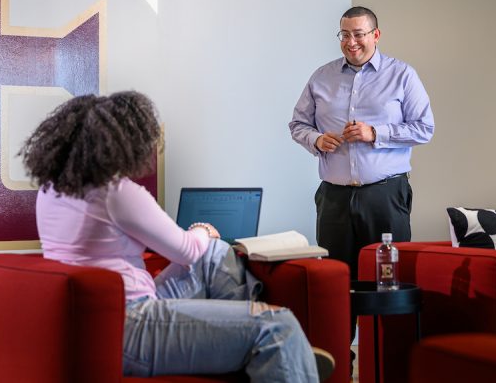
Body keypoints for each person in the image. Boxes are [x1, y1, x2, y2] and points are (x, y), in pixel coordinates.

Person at [21, 91, 334, 382]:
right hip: (130, 324)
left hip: (94, 323)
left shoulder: (51, 191)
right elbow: (185, 250)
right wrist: (202, 229)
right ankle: (266, 347)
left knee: (213, 254)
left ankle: (243, 344)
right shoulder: (118, 193)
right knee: (278, 324)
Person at [289, 6, 434, 363]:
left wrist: (376, 134)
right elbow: (297, 125)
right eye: (345, 35)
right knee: (337, 283)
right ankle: (340, 362)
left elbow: (424, 127)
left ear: (375, 35)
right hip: (334, 198)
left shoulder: (402, 75)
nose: (351, 42)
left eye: (359, 34)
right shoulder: (321, 78)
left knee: (387, 280)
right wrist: (316, 140)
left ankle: (387, 360)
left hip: (385, 194)